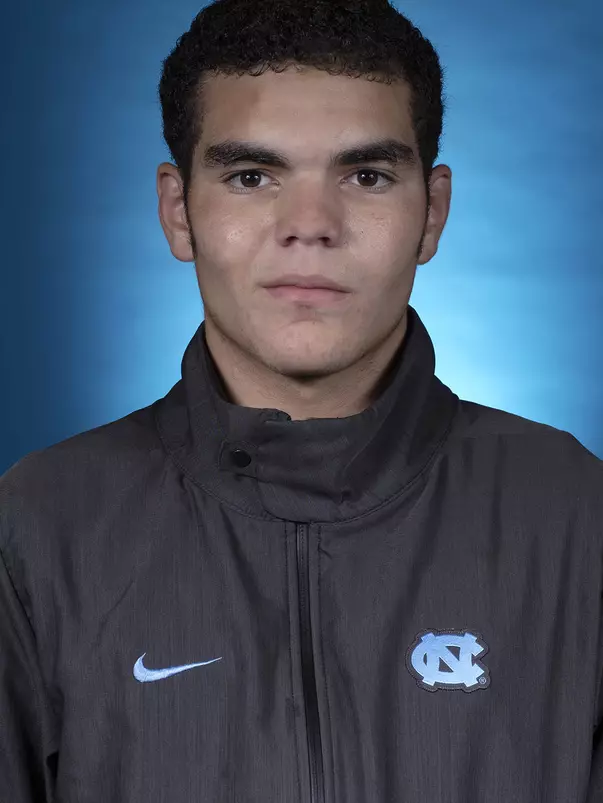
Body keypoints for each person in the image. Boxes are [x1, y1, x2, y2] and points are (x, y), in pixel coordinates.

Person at [1, 0, 602, 800]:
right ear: (179, 211)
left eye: (366, 175)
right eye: (252, 176)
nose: (310, 225)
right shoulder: (39, 527)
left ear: (432, 212)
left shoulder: (573, 512)